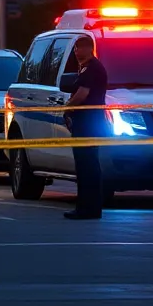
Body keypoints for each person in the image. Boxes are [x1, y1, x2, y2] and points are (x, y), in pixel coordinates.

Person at [64, 34, 108, 220]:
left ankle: (88, 208)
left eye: (80, 48)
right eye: (75, 48)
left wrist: (67, 108)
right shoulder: (85, 69)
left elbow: (82, 94)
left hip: (88, 123)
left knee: (87, 166)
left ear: (90, 48)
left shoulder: (92, 69)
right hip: (86, 122)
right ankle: (86, 206)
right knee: (84, 166)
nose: (76, 52)